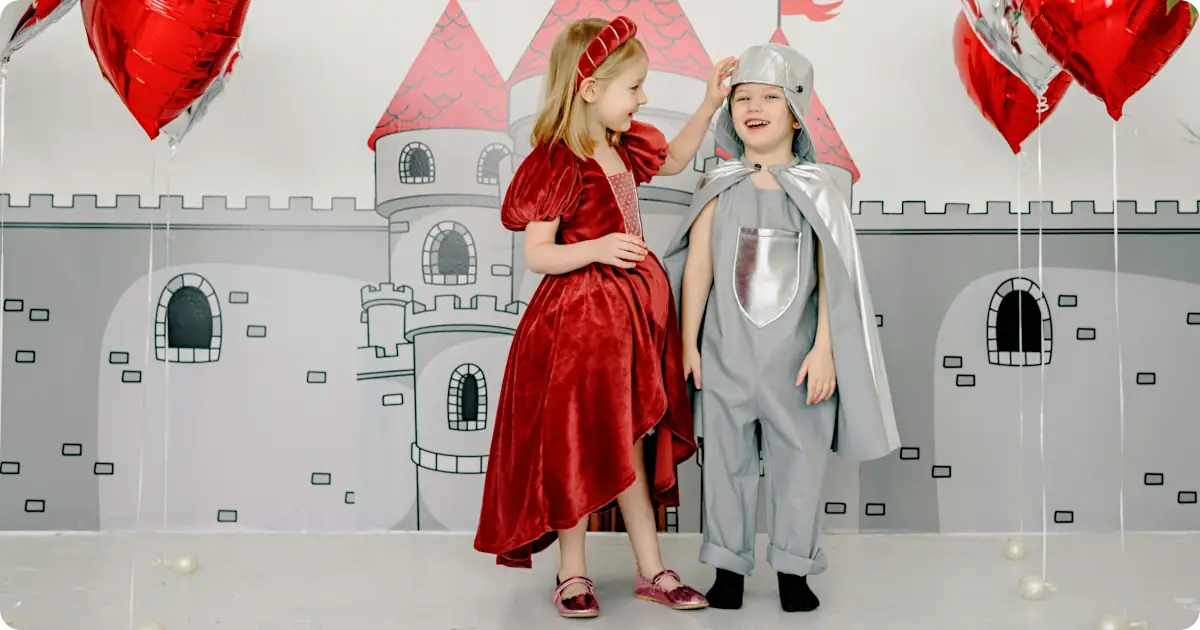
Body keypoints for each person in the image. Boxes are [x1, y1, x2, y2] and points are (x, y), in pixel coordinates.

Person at [472, 15, 736, 619]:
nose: (642, 100)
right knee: (577, 445)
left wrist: (708, 103)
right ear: (590, 88)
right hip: (576, 327)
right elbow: (539, 252)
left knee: (629, 445)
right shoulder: (558, 160)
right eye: (634, 88)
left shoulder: (622, 146)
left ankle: (651, 568)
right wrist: (595, 247)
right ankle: (572, 571)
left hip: (629, 324)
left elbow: (672, 160)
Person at [661, 43, 902, 613]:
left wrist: (826, 351)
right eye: (744, 97)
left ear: (795, 111)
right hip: (725, 355)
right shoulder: (718, 184)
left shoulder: (820, 188)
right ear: (730, 110)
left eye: (770, 96)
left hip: (796, 360)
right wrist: (688, 342)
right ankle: (727, 566)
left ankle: (795, 567)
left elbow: (833, 279)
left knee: (800, 465)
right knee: (725, 463)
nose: (754, 107)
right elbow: (699, 266)